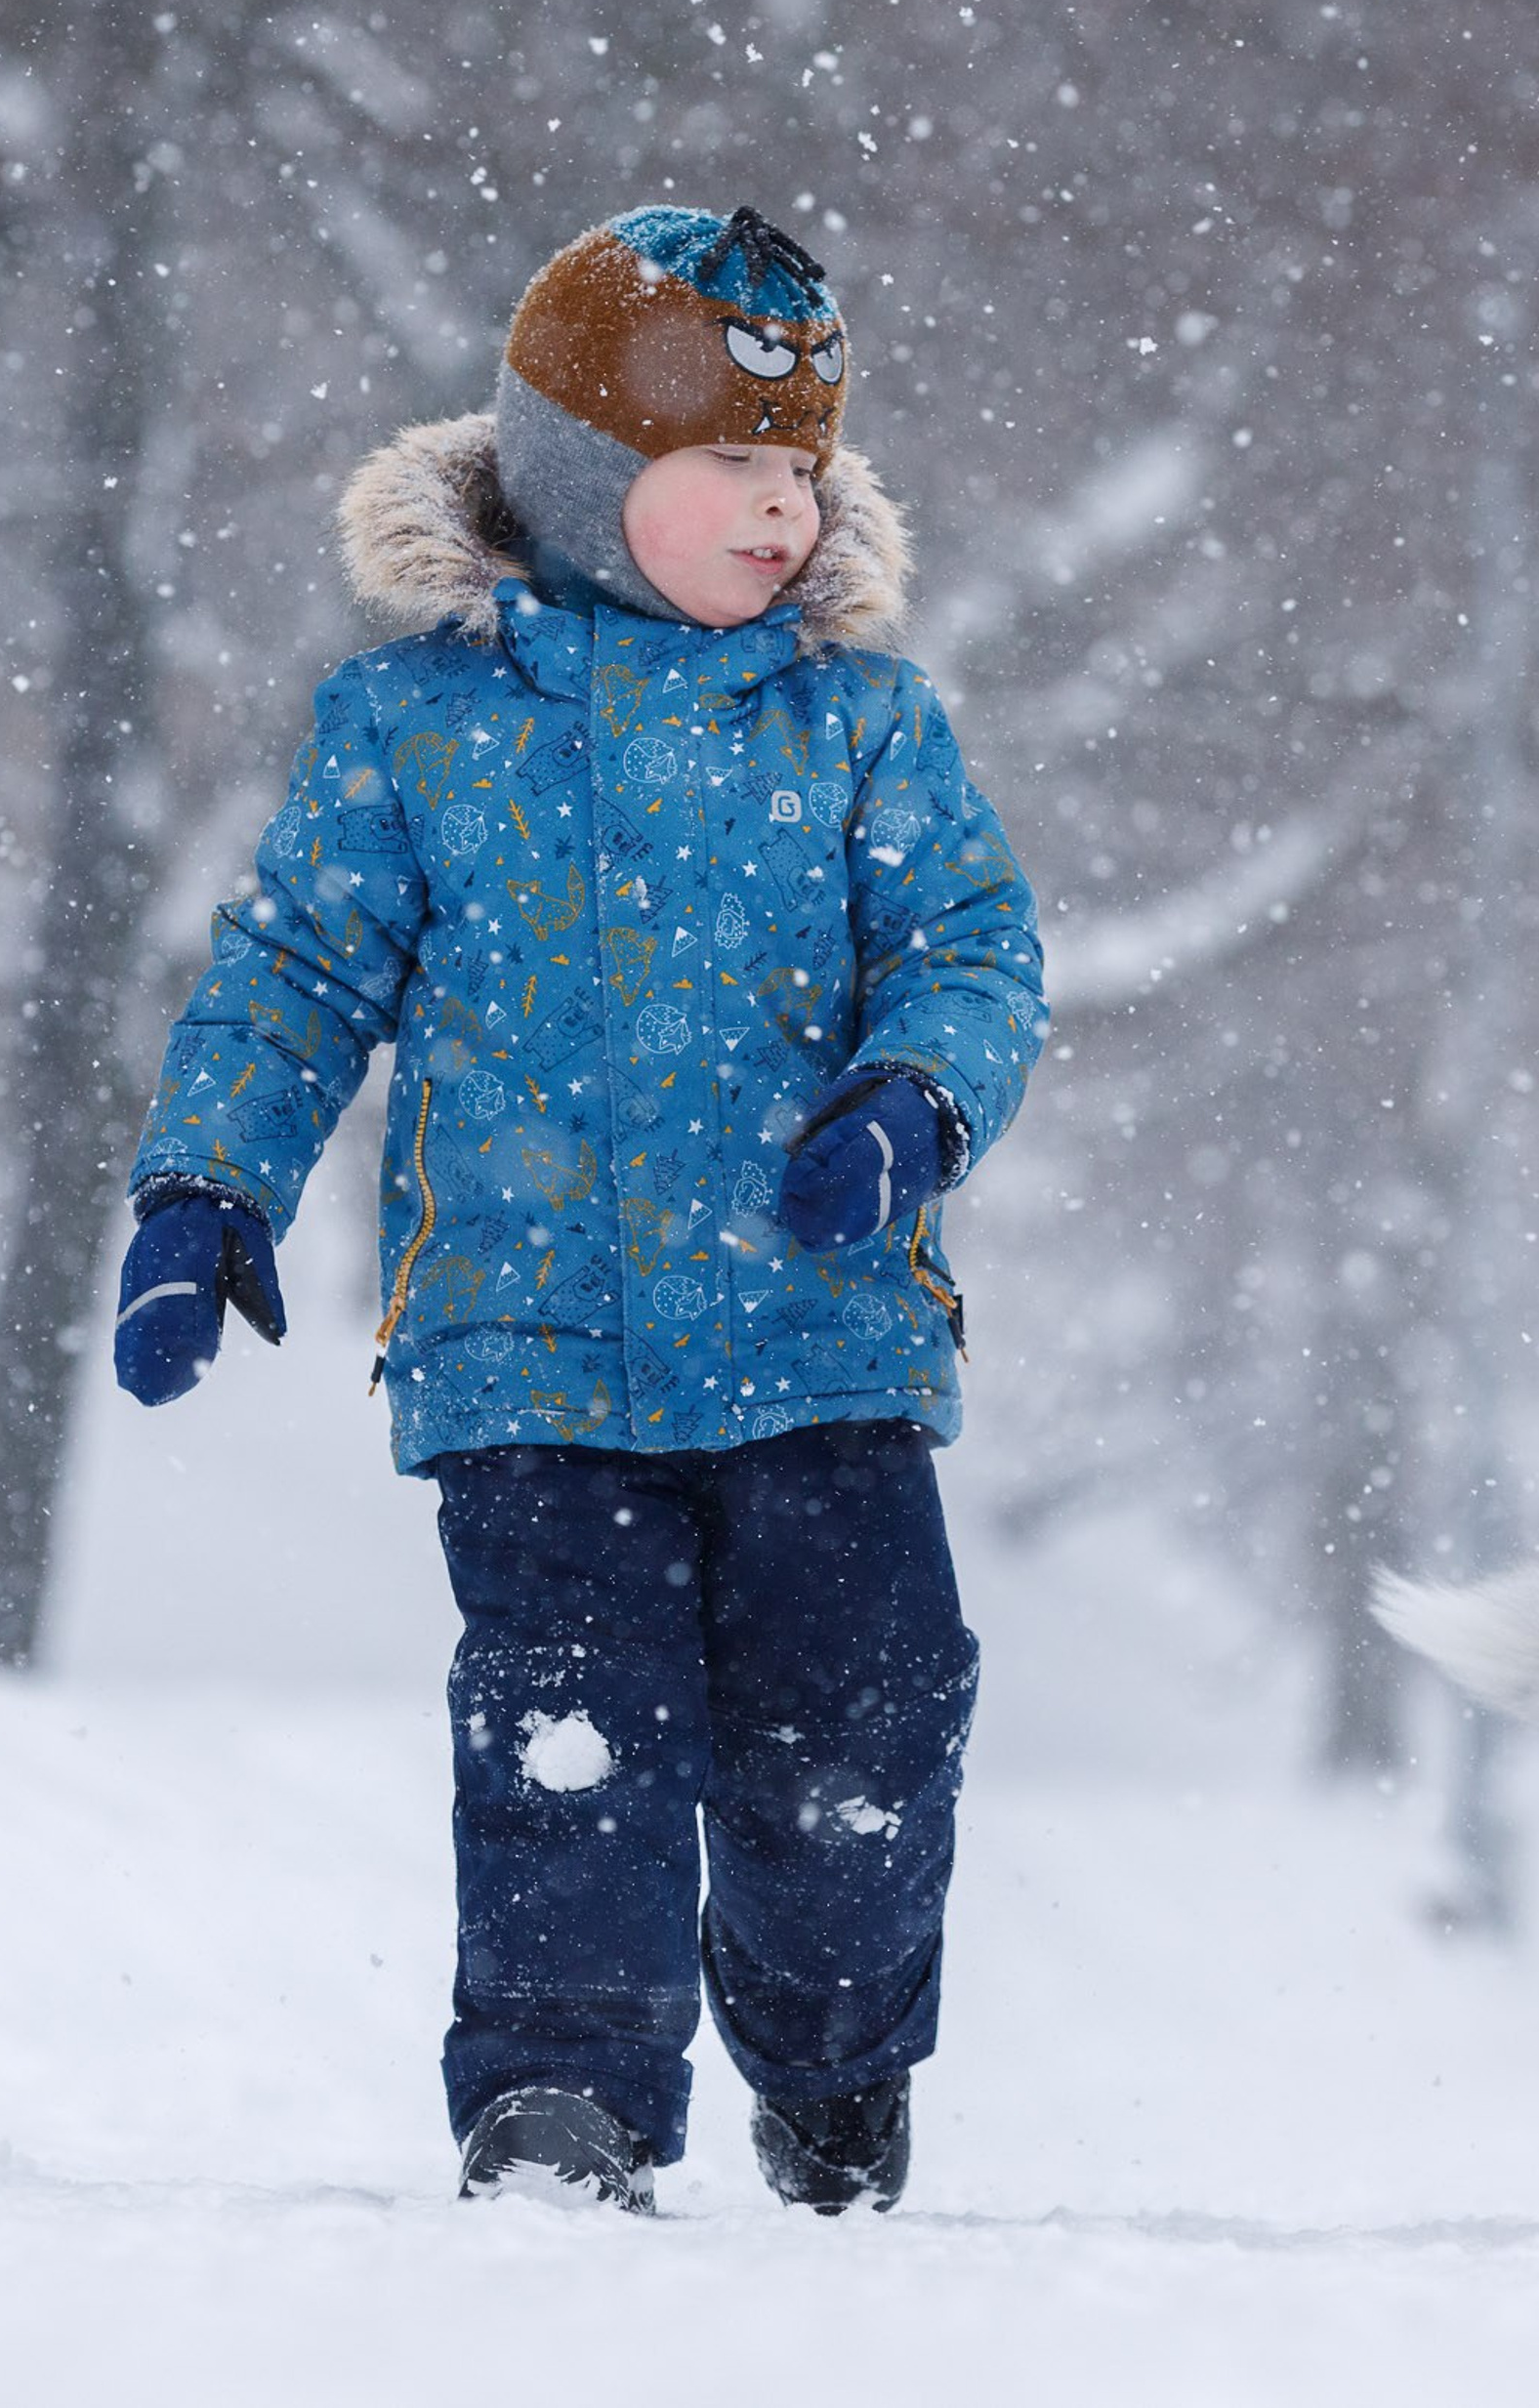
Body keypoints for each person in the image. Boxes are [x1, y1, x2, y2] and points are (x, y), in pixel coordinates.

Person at [112, 205, 1047, 2216]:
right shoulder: (416, 724)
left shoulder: (858, 724)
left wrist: (915, 1095)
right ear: (586, 479)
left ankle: (829, 2053)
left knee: (861, 1745)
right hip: (530, 1354)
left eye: (800, 470)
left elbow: (973, 948)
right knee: (568, 1743)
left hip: (824, 1346)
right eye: (732, 466)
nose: (781, 513)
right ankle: (561, 2098)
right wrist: (208, 1184)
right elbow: (294, 979)